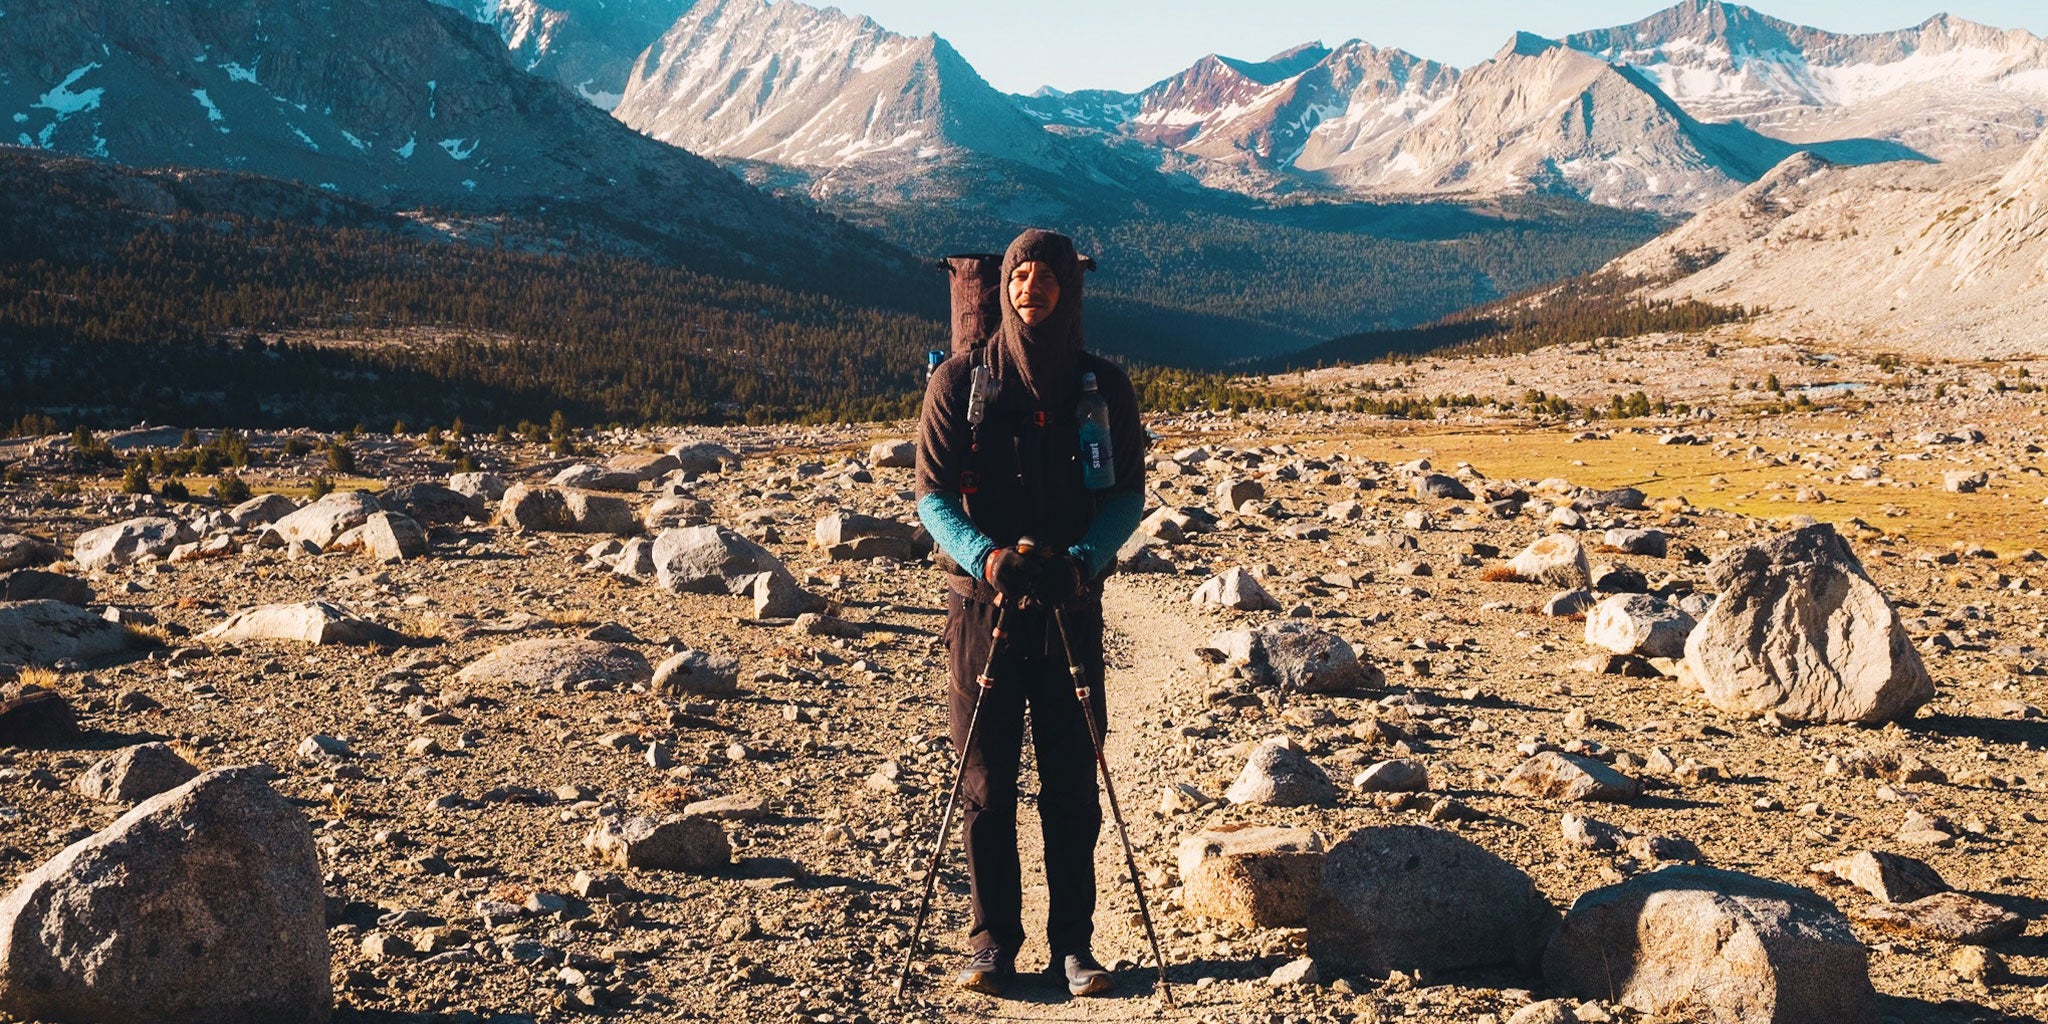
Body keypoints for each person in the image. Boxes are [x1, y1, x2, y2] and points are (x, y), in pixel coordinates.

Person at [914, 228, 1146, 997]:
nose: (1030, 287)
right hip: (982, 608)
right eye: (1019, 274)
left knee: (1073, 780)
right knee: (983, 781)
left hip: (1068, 604)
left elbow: (1124, 499)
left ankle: (1073, 946)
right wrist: (987, 558)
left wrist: (1080, 564)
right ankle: (992, 944)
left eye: (1046, 276)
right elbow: (932, 498)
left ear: (1071, 289)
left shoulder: (1104, 389)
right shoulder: (958, 383)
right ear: (1002, 285)